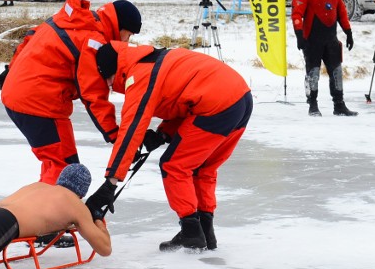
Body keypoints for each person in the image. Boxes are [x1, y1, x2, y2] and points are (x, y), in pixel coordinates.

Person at [0, 0, 141, 245]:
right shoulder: (94, 39)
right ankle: (46, 227)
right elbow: (93, 92)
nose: (127, 42)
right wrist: (113, 132)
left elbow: (33, 34)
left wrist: (11, 69)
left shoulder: (75, 18)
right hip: (39, 101)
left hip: (21, 94)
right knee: (63, 166)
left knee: (57, 163)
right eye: (128, 35)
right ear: (120, 27)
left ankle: (42, 220)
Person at [86, 41, 252, 252]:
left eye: (107, 80)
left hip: (216, 104)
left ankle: (191, 232)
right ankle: (205, 229)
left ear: (112, 71)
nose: (109, 87)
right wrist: (163, 133)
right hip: (240, 98)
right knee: (202, 168)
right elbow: (183, 98)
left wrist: (110, 184)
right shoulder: (151, 60)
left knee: (174, 165)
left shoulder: (138, 76)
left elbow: (131, 131)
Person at [291, 0, 358, 117]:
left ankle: (339, 105)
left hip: (331, 41)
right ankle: (313, 105)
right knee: (313, 73)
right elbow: (296, 14)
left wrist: (348, 32)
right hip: (312, 41)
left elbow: (342, 13)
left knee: (337, 72)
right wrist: (299, 36)